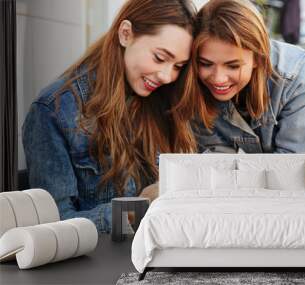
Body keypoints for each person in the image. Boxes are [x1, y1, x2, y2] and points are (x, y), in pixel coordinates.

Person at [177, 0, 305, 231]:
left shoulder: (295, 73)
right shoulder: (194, 83)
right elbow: (221, 165)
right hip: (292, 125)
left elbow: (291, 169)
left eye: (233, 66)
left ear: (257, 59)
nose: (218, 78)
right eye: (206, 64)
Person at [22, 0, 197, 233]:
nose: (167, 76)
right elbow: (54, 227)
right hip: (99, 265)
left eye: (178, 66)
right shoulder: (54, 110)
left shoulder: (165, 99)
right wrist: (138, 210)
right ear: (125, 34)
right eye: (159, 58)